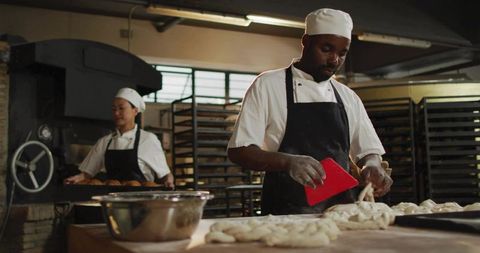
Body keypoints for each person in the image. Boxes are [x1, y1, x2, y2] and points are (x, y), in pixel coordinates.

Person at [227, 8, 393, 215]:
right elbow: (239, 150)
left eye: (342, 53)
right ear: (305, 41)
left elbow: (368, 151)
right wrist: (288, 162)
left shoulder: (347, 96)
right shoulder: (268, 85)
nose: (334, 60)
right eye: (326, 49)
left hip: (343, 211)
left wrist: (372, 166)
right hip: (286, 212)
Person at [64, 87, 174, 188]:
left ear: (135, 111)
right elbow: (87, 173)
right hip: (113, 202)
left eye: (121, 108)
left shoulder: (148, 140)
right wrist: (75, 180)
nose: (116, 113)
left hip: (142, 201)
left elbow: (165, 175)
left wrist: (169, 182)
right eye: (114, 109)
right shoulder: (105, 142)